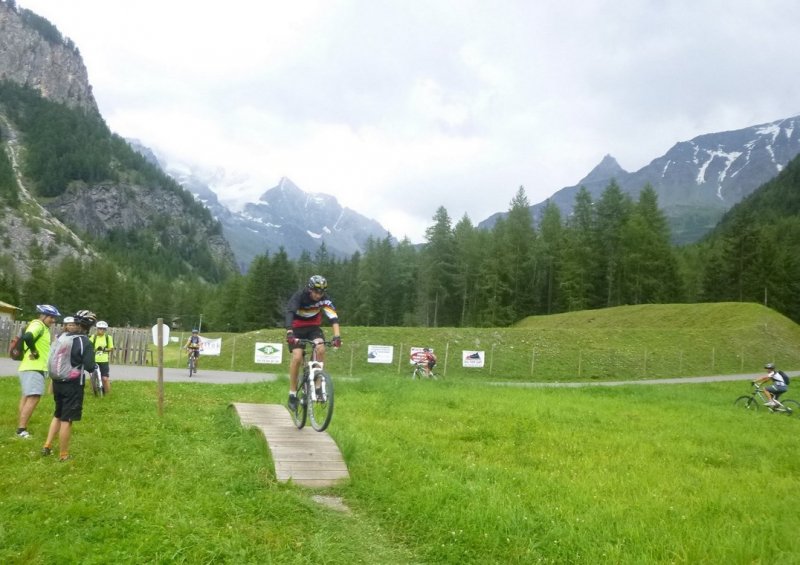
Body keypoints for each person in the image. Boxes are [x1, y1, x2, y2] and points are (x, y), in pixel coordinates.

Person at [41, 310, 97, 461]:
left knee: (57, 414)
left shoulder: (63, 336)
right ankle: (64, 455)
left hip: (58, 382)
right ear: (89, 325)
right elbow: (90, 366)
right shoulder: (83, 341)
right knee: (67, 419)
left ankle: (47, 445)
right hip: (72, 384)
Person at [285, 275, 341, 411]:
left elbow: (333, 317)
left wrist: (337, 336)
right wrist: (289, 333)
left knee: (320, 348)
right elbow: (289, 312)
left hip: (313, 328)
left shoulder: (325, 299)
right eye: (316, 291)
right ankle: (292, 394)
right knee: (297, 357)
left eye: (321, 292)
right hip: (296, 329)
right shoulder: (300, 296)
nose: (318, 295)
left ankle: (317, 386)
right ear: (310, 289)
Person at [15, 304, 61, 439]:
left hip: (30, 367)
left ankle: (21, 425)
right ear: (43, 315)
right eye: (51, 317)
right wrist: (34, 351)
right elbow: (28, 337)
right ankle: (21, 430)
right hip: (34, 367)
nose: (53, 320)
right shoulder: (38, 324)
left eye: (54, 318)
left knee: (27, 396)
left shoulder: (43, 327)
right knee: (34, 397)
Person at [91, 321, 115, 395]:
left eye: (103, 329)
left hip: (104, 360)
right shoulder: (93, 337)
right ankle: (94, 391)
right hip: (94, 360)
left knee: (104, 378)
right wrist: (94, 350)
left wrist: (104, 349)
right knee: (93, 378)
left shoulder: (108, 338)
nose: (101, 330)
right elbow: (89, 347)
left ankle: (108, 394)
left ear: (105, 330)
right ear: (97, 329)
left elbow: (111, 348)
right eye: (100, 329)